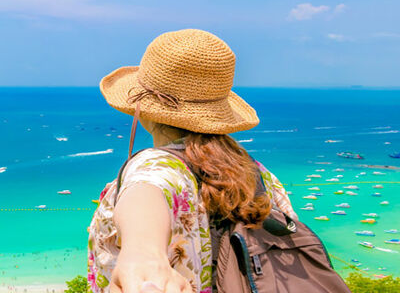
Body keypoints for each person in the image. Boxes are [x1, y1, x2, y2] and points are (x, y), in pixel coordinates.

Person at [87, 29, 296, 293]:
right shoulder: (256, 173)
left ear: (144, 109)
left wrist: (144, 255)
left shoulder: (156, 165)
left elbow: (146, 190)